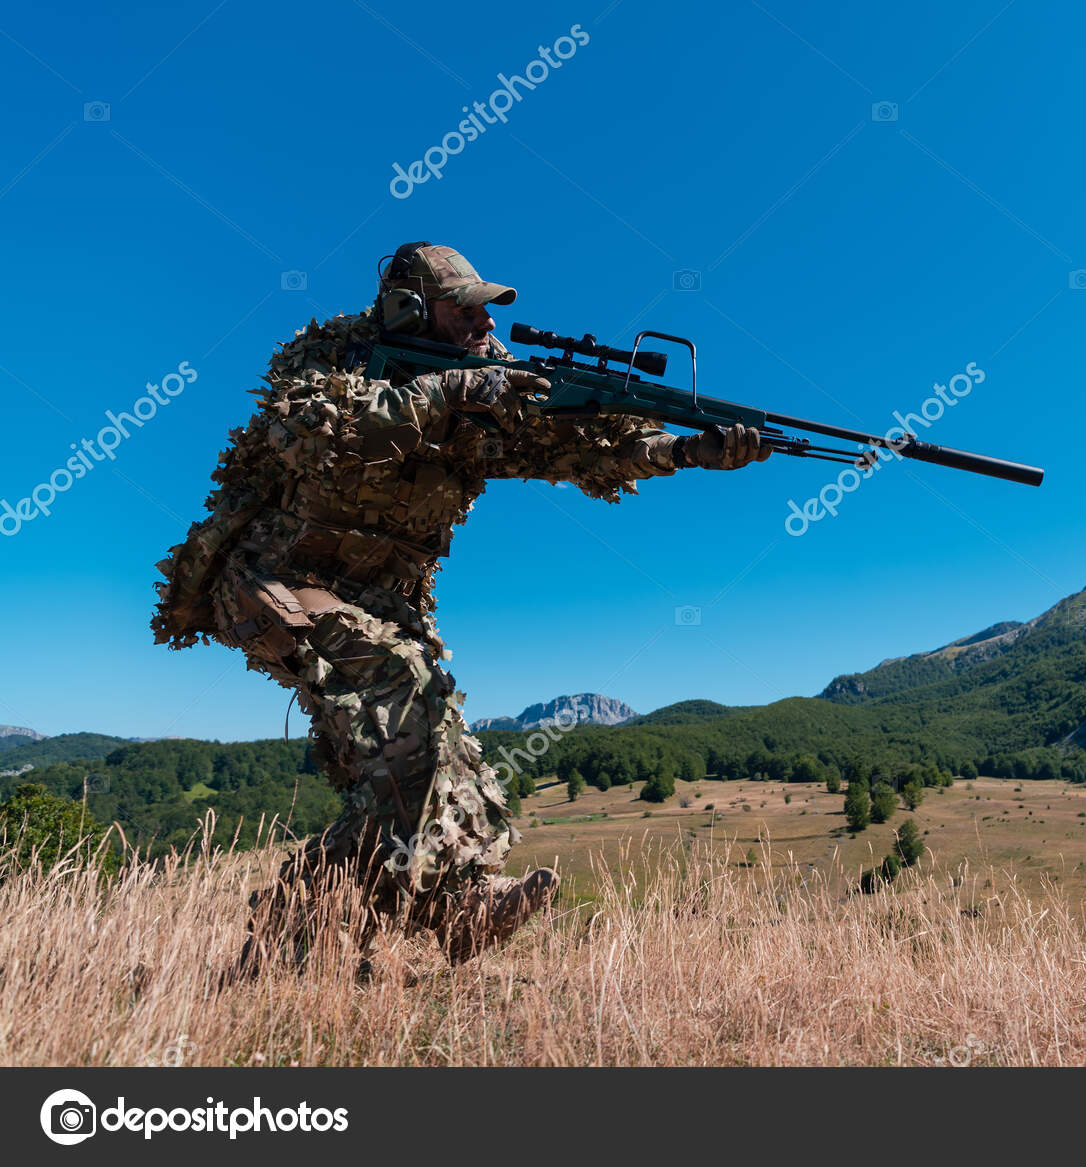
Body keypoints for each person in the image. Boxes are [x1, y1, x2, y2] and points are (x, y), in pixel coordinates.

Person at [151, 242, 769, 972]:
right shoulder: (331, 360)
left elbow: (574, 444)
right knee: (407, 707)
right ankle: (312, 926)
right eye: (465, 305)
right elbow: (326, 432)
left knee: (444, 759)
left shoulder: (491, 384)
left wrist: (682, 451)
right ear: (410, 308)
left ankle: (439, 908)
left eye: (485, 306)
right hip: (280, 581)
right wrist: (453, 394)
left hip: (385, 603)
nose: (483, 319)